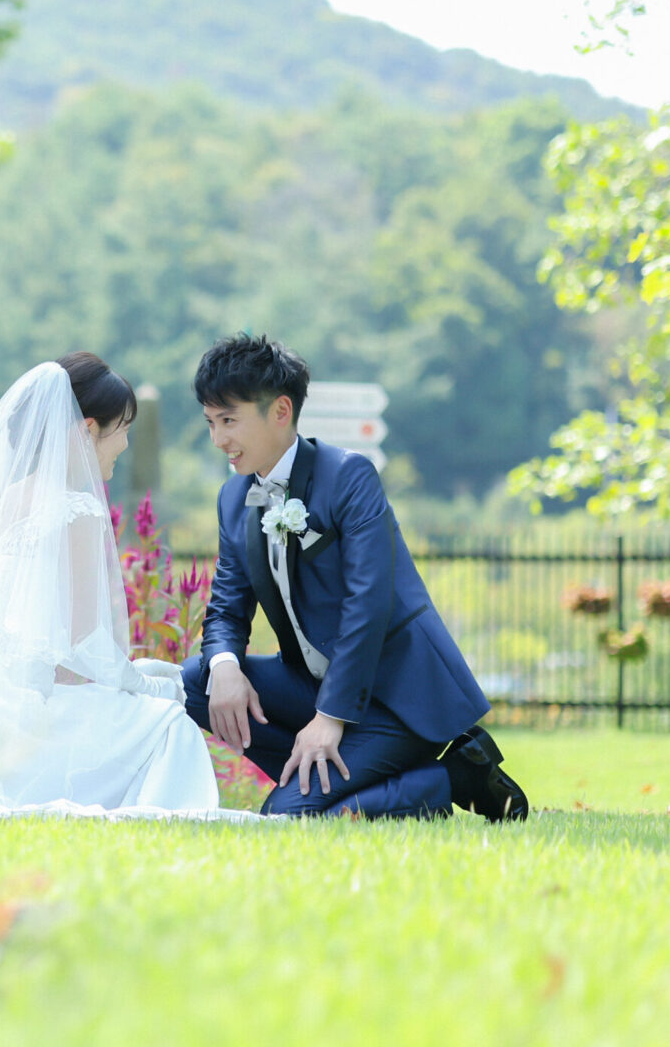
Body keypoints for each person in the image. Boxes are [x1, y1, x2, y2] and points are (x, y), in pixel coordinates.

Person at [177, 334, 529, 821]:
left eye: (230, 420)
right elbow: (225, 609)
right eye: (211, 422)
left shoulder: (348, 476)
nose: (219, 440)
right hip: (312, 684)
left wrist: (328, 718)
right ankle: (339, 782)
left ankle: (449, 778)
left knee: (288, 818)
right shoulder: (234, 498)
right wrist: (225, 667)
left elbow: (368, 607)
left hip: (395, 696)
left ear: (281, 411)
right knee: (197, 680)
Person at [0, 354, 221, 815]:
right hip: (34, 714)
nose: (124, 444)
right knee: (168, 724)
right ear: (88, 431)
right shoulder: (78, 511)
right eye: (122, 429)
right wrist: (145, 682)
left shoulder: (5, 500)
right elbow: (84, 643)